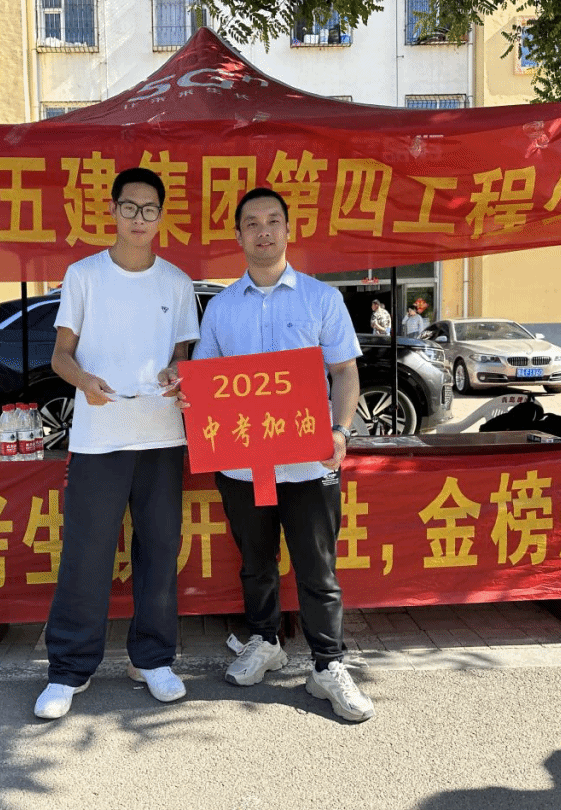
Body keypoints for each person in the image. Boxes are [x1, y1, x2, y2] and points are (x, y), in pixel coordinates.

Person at [187, 187, 375, 722]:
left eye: (273, 221)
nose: (263, 231)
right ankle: (265, 641)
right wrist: (187, 391)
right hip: (242, 465)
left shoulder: (321, 299)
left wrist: (340, 431)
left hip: (309, 461)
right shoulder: (221, 307)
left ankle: (327, 664)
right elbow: (207, 381)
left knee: (317, 568)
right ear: (239, 236)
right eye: (252, 223)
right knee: (255, 562)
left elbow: (344, 373)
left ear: (288, 230)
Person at [33, 167, 200, 720]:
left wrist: (177, 375)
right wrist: (85, 382)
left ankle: (152, 659)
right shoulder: (84, 275)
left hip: (161, 437)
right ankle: (68, 670)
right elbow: (61, 356)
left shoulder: (177, 282)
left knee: (159, 550)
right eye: (130, 207)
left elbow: (183, 358)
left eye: (149, 209)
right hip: (98, 439)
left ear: (161, 216)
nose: (139, 219)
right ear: (113, 209)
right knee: (86, 554)